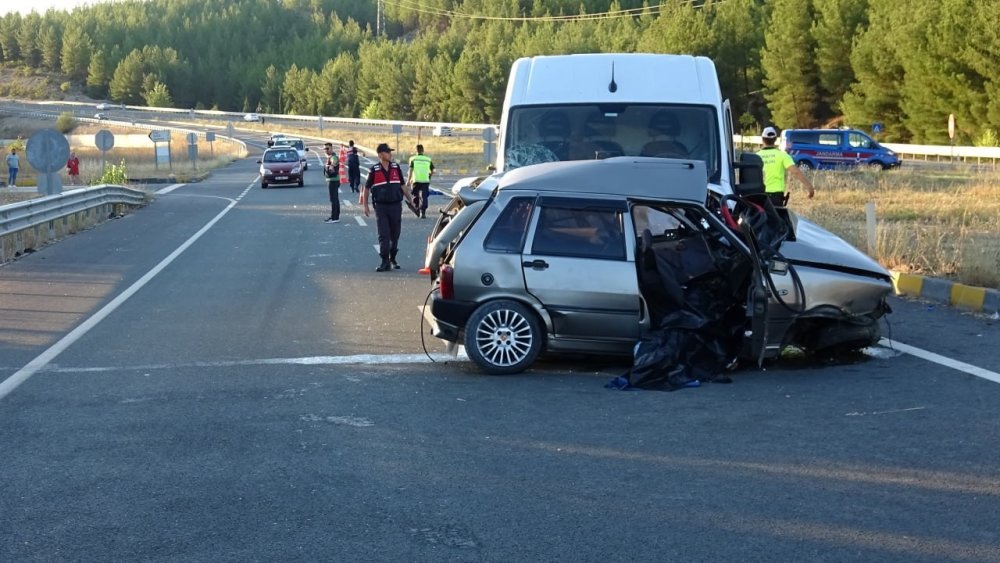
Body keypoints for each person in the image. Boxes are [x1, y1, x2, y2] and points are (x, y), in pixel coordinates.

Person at [362, 143, 414, 272]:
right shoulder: (373, 170)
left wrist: (410, 200)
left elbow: (402, 185)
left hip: (396, 206)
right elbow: (366, 188)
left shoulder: (396, 168)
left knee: (395, 234)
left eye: (390, 152)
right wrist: (365, 205)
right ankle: (384, 261)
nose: (390, 154)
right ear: (380, 154)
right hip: (381, 207)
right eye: (387, 152)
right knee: (384, 234)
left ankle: (393, 258)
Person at [757, 126, 815, 206]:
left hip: (759, 195)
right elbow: (796, 172)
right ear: (775, 140)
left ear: (762, 139)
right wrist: (809, 187)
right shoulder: (782, 155)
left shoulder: (756, 156)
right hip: (776, 196)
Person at [407, 144, 434, 218]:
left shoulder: (413, 159)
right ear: (423, 150)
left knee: (415, 195)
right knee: (424, 196)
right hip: (425, 180)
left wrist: (408, 181)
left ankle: (417, 209)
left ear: (416, 151)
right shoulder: (428, 159)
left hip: (416, 180)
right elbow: (433, 170)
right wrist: (429, 176)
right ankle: (423, 212)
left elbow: (410, 170)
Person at [323, 142, 340, 223]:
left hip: (333, 181)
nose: (326, 150)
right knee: (335, 199)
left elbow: (334, 163)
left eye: (327, 148)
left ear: (331, 148)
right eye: (325, 149)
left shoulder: (333, 157)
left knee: (333, 199)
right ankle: (336, 216)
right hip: (332, 180)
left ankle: (334, 217)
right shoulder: (330, 157)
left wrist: (331, 167)